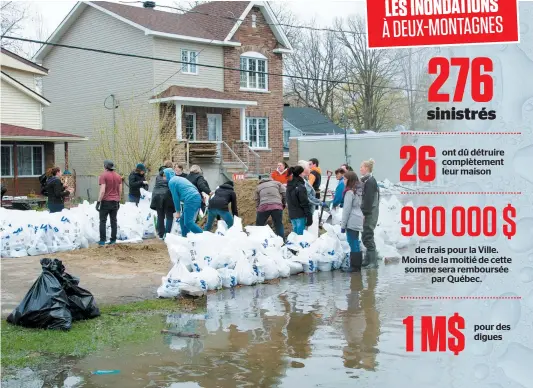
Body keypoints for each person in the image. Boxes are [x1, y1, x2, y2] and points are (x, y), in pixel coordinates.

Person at [164, 168, 203, 237]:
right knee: (182, 221)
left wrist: (178, 212)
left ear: (168, 175)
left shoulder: (171, 182)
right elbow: (192, 186)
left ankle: (204, 237)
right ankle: (185, 238)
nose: (163, 177)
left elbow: (175, 198)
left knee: (188, 222)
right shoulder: (179, 178)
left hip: (191, 199)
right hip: (195, 197)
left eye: (164, 175)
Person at [340, 171, 364, 272]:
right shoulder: (359, 191)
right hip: (359, 218)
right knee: (356, 242)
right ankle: (357, 266)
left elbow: (346, 210)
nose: (343, 181)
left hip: (352, 220)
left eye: (345, 179)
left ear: (349, 180)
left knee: (352, 242)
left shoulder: (349, 192)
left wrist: (343, 225)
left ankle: (354, 267)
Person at [360, 158, 380, 268]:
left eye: (361, 167)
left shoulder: (370, 181)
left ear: (367, 168)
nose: (360, 169)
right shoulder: (368, 180)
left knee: (368, 235)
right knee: (365, 235)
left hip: (370, 213)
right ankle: (368, 260)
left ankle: (373, 261)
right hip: (369, 212)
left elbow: (368, 200)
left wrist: (364, 213)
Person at [97, 160, 122, 246]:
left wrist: (98, 201)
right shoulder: (118, 176)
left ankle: (102, 241)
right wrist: (118, 200)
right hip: (115, 201)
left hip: (105, 202)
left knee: (103, 221)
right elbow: (120, 190)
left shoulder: (103, 175)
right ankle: (113, 240)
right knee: (113, 221)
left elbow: (102, 191)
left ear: (105, 166)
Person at [150, 165, 176, 239]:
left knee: (160, 216)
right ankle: (167, 235)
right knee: (169, 216)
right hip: (167, 196)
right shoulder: (170, 176)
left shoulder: (158, 177)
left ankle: (160, 234)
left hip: (157, 196)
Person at [286, 166, 312, 235]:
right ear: (300, 174)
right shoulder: (300, 186)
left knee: (295, 237)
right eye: (303, 172)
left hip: (292, 214)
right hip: (300, 215)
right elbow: (304, 203)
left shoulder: (289, 185)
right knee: (300, 238)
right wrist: (309, 216)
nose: (305, 174)